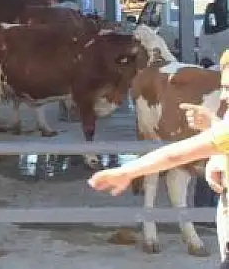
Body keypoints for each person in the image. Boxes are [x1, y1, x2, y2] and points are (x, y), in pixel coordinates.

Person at [89, 50, 229, 265]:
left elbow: (179, 155)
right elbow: (176, 154)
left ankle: (183, 229)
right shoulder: (152, 80)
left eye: (227, 89)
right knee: (154, 174)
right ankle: (150, 225)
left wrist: (127, 172)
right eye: (222, 88)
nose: (222, 96)